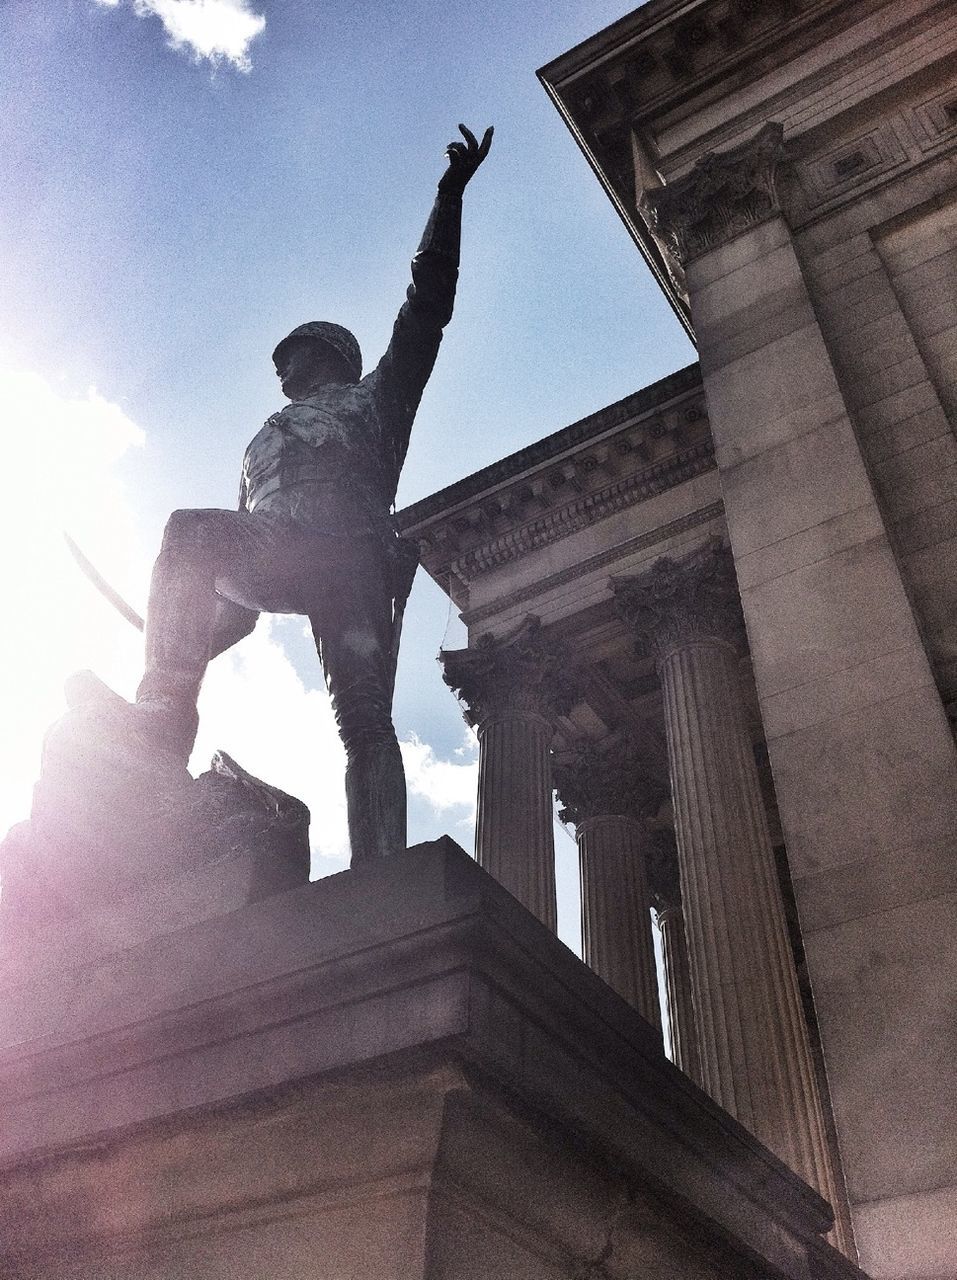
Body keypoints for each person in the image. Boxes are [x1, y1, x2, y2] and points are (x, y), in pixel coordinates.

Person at [134, 124, 493, 863]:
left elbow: (426, 306)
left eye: (289, 352)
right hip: (279, 549)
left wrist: (448, 195)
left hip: (353, 557)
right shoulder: (259, 440)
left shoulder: (377, 398)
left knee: (365, 722)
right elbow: (234, 604)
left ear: (330, 353)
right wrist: (181, 635)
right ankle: (160, 716)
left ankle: (381, 866)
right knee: (190, 534)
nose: (278, 368)